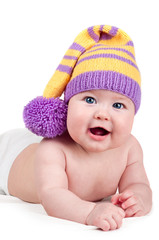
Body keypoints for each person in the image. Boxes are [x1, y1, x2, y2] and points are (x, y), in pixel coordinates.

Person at [0, 25, 152, 231]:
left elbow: (139, 185)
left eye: (118, 105)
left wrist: (139, 199)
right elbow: (52, 195)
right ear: (68, 105)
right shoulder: (54, 149)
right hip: (9, 154)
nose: (102, 114)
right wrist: (89, 213)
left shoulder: (129, 148)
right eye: (89, 99)